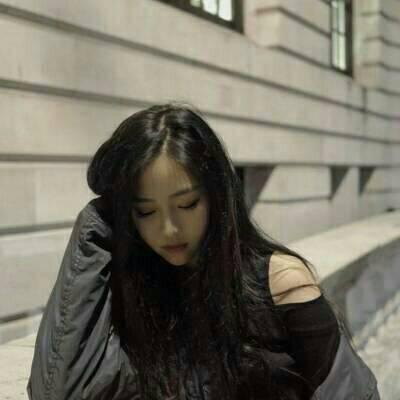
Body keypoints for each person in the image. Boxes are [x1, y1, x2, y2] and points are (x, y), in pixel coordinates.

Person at [26, 102, 380, 399]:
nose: (168, 228)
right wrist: (98, 221)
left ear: (217, 196)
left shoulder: (276, 282)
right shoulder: (140, 292)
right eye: (146, 212)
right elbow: (60, 391)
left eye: (187, 204)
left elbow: (351, 393)